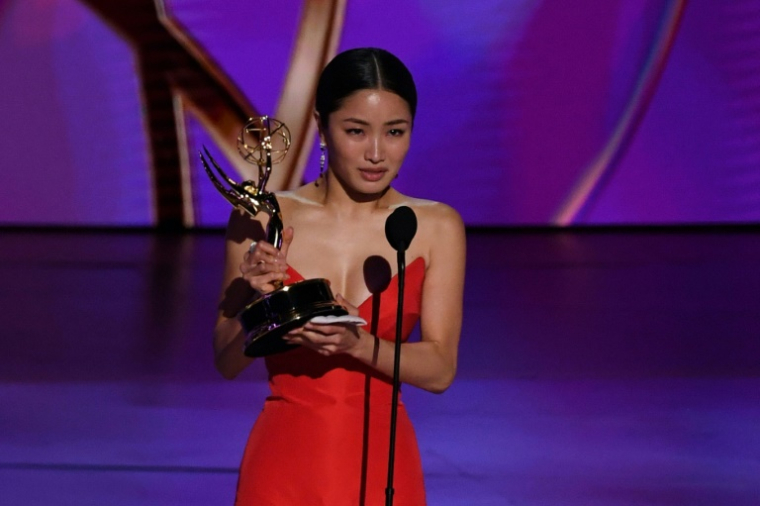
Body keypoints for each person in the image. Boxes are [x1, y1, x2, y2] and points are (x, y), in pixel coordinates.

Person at [213, 47, 466, 506]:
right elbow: (227, 362)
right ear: (321, 126)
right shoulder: (264, 220)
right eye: (356, 131)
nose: (376, 153)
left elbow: (440, 370)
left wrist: (358, 345)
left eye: (395, 132)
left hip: (385, 467)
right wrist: (260, 305)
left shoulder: (435, 227)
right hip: (282, 468)